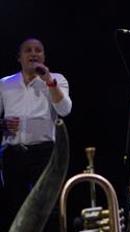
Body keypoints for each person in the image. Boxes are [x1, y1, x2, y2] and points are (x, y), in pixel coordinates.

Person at [0, 38, 72, 231]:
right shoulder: (5, 84)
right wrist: (3, 125)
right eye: (28, 50)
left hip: (45, 153)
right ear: (19, 57)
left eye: (38, 50)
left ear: (44, 56)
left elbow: (64, 109)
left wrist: (48, 81)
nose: (33, 54)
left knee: (49, 208)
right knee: (14, 208)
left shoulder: (56, 79)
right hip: (13, 153)